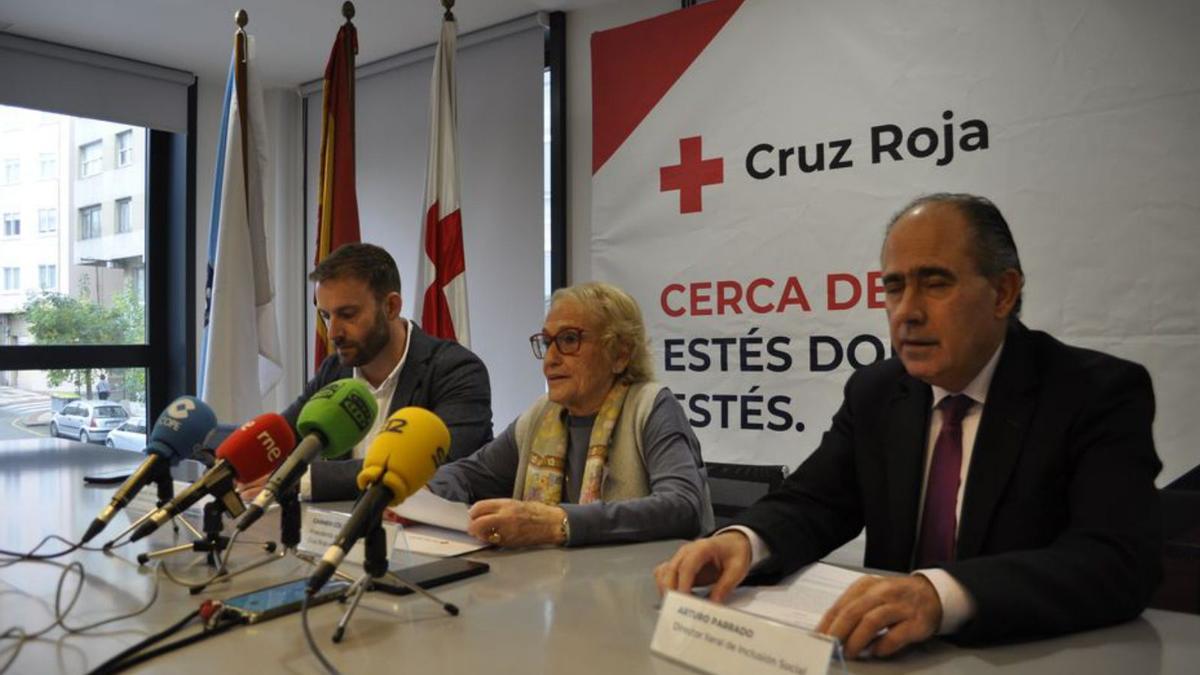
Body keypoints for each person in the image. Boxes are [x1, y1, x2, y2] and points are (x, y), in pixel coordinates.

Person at [655, 193, 1162, 656]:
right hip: (892, 662)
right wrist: (744, 541)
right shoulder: (878, 392)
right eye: (894, 287)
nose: (907, 312)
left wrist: (937, 596)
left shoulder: (1094, 393)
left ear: (1003, 293)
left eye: (935, 282)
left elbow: (1116, 562)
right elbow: (815, 501)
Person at [427, 282, 715, 548]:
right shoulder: (541, 416)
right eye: (547, 342)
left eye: (568, 339)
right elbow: (466, 475)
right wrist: (407, 494)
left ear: (620, 354)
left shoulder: (650, 406)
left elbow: (683, 506)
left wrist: (560, 523)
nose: (551, 359)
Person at [280, 243, 494, 502]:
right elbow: (283, 437)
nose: (333, 333)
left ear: (391, 307)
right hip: (342, 530)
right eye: (326, 316)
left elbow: (438, 467)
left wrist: (302, 480)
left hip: (433, 538)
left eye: (347, 315)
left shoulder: (456, 371)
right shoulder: (336, 370)